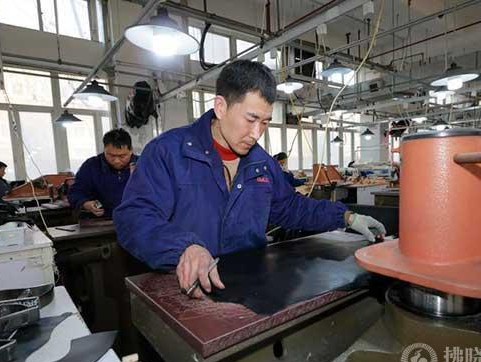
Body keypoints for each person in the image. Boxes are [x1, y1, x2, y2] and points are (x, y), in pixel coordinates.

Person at [114, 60, 385, 298]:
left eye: (265, 122)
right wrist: (184, 248)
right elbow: (134, 217)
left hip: (249, 289)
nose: (257, 133)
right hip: (185, 289)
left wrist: (346, 217)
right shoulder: (168, 152)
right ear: (221, 107)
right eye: (251, 119)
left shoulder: (262, 163)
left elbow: (291, 207)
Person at [68, 128, 138, 218]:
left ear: (131, 150)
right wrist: (86, 203)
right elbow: (75, 192)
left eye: (122, 156)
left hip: (137, 220)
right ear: (104, 149)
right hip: (102, 221)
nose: (116, 161)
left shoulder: (142, 164)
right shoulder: (91, 166)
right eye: (111, 155)